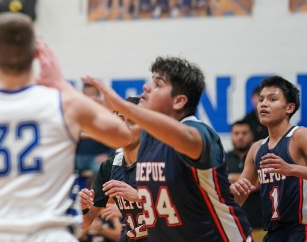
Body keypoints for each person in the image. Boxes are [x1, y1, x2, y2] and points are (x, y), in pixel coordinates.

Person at [0, 13, 131, 241]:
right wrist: (62, 85)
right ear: (36, 55)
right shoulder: (64, 104)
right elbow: (122, 135)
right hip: (51, 234)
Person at [84, 57, 253, 241]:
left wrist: (122, 106)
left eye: (158, 84)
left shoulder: (197, 132)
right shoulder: (147, 140)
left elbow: (185, 138)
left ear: (179, 101)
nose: (147, 87)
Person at [230, 76, 307, 242]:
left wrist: (292, 169)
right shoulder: (256, 148)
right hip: (273, 233)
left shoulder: (300, 136)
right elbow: (240, 198)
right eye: (261, 99)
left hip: (302, 229)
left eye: (272, 99)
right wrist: (233, 192)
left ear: (289, 107)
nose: (264, 104)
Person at [79, 97, 149, 241]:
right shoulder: (109, 166)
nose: (123, 127)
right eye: (119, 120)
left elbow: (182, 207)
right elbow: (86, 222)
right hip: (131, 236)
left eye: (131, 121)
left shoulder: (159, 161)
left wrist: (139, 196)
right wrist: (84, 206)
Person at [226, 120, 264, 241]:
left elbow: (260, 180)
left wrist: (231, 178)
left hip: (261, 225)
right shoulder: (222, 158)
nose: (240, 137)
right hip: (234, 226)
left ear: (252, 135)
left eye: (244, 133)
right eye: (236, 133)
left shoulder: (260, 156)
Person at [76, 83, 113, 175]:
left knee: (101, 168)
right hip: (77, 157)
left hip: (98, 156)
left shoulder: (106, 114)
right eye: (86, 95)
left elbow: (117, 139)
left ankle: (97, 190)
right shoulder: (76, 114)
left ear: (98, 95)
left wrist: (108, 154)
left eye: (92, 94)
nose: (90, 98)